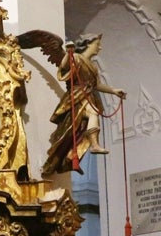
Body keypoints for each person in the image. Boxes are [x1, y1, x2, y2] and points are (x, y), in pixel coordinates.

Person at [44, 35, 126, 175]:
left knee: (83, 125)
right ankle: (84, 149)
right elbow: (64, 66)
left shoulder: (93, 67)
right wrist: (69, 53)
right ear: (88, 44)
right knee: (69, 132)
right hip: (76, 97)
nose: (99, 47)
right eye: (97, 44)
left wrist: (113, 91)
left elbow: (97, 85)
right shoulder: (76, 57)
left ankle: (89, 147)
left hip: (87, 96)